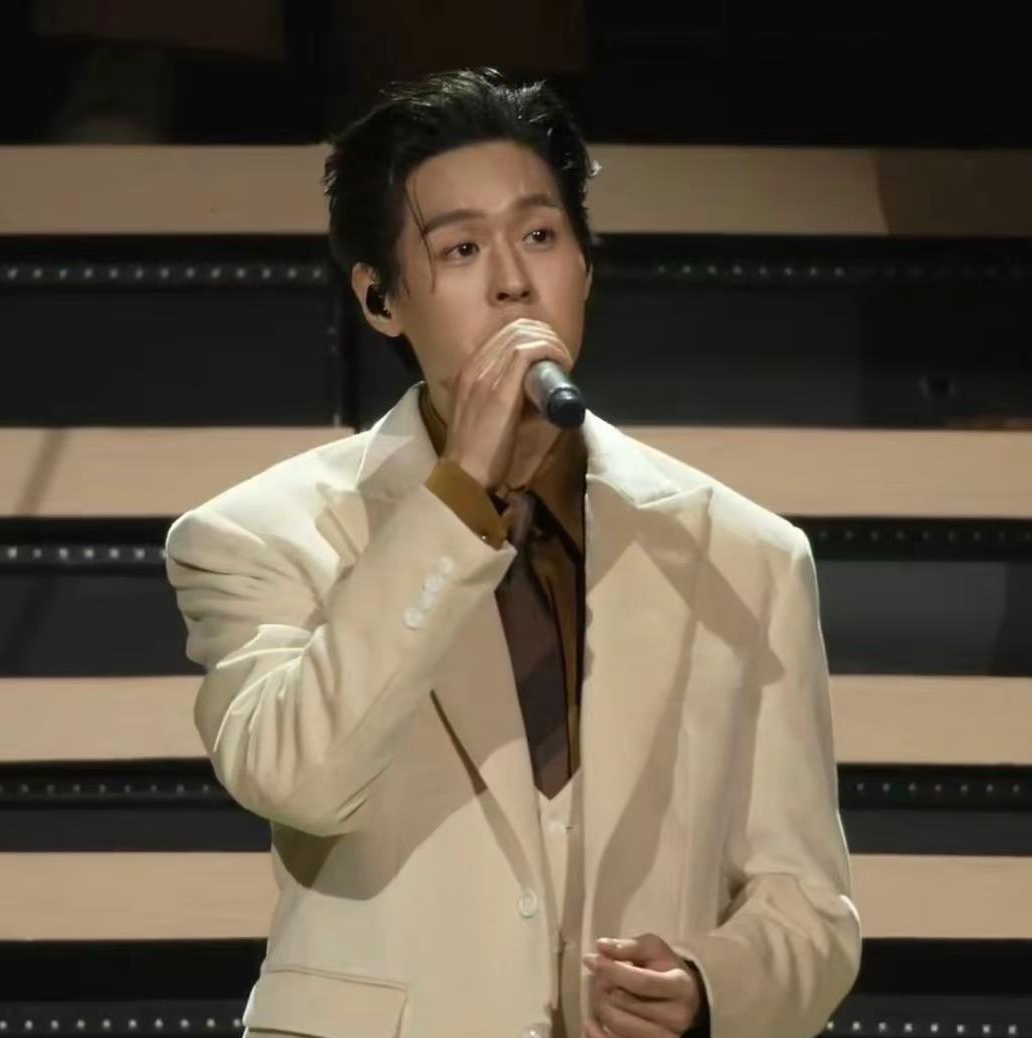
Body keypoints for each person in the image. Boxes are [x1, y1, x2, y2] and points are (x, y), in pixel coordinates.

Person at [165, 67, 861, 1038]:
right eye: (460, 248)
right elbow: (299, 778)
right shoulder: (257, 535)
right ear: (379, 298)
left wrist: (709, 984)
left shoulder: (746, 555)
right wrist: (458, 497)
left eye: (540, 236)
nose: (512, 281)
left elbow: (810, 910)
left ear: (585, 264)